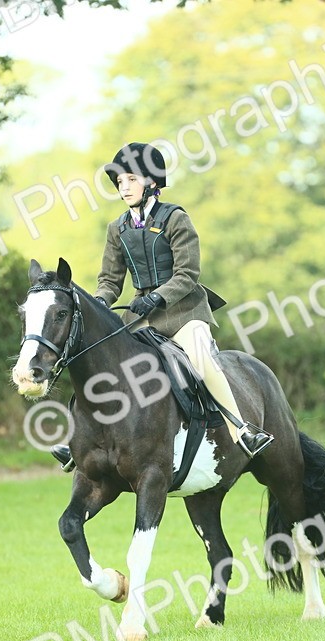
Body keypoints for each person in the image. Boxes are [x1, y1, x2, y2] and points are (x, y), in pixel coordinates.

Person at [51, 142, 274, 471]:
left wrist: (158, 297)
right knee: (99, 361)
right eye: (119, 182)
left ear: (151, 181)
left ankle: (242, 429)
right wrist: (100, 303)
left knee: (202, 358)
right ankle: (81, 442)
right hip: (141, 318)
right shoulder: (118, 229)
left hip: (183, 312)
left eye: (130, 180)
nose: (123, 188)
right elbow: (110, 280)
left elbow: (188, 273)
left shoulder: (175, 219)